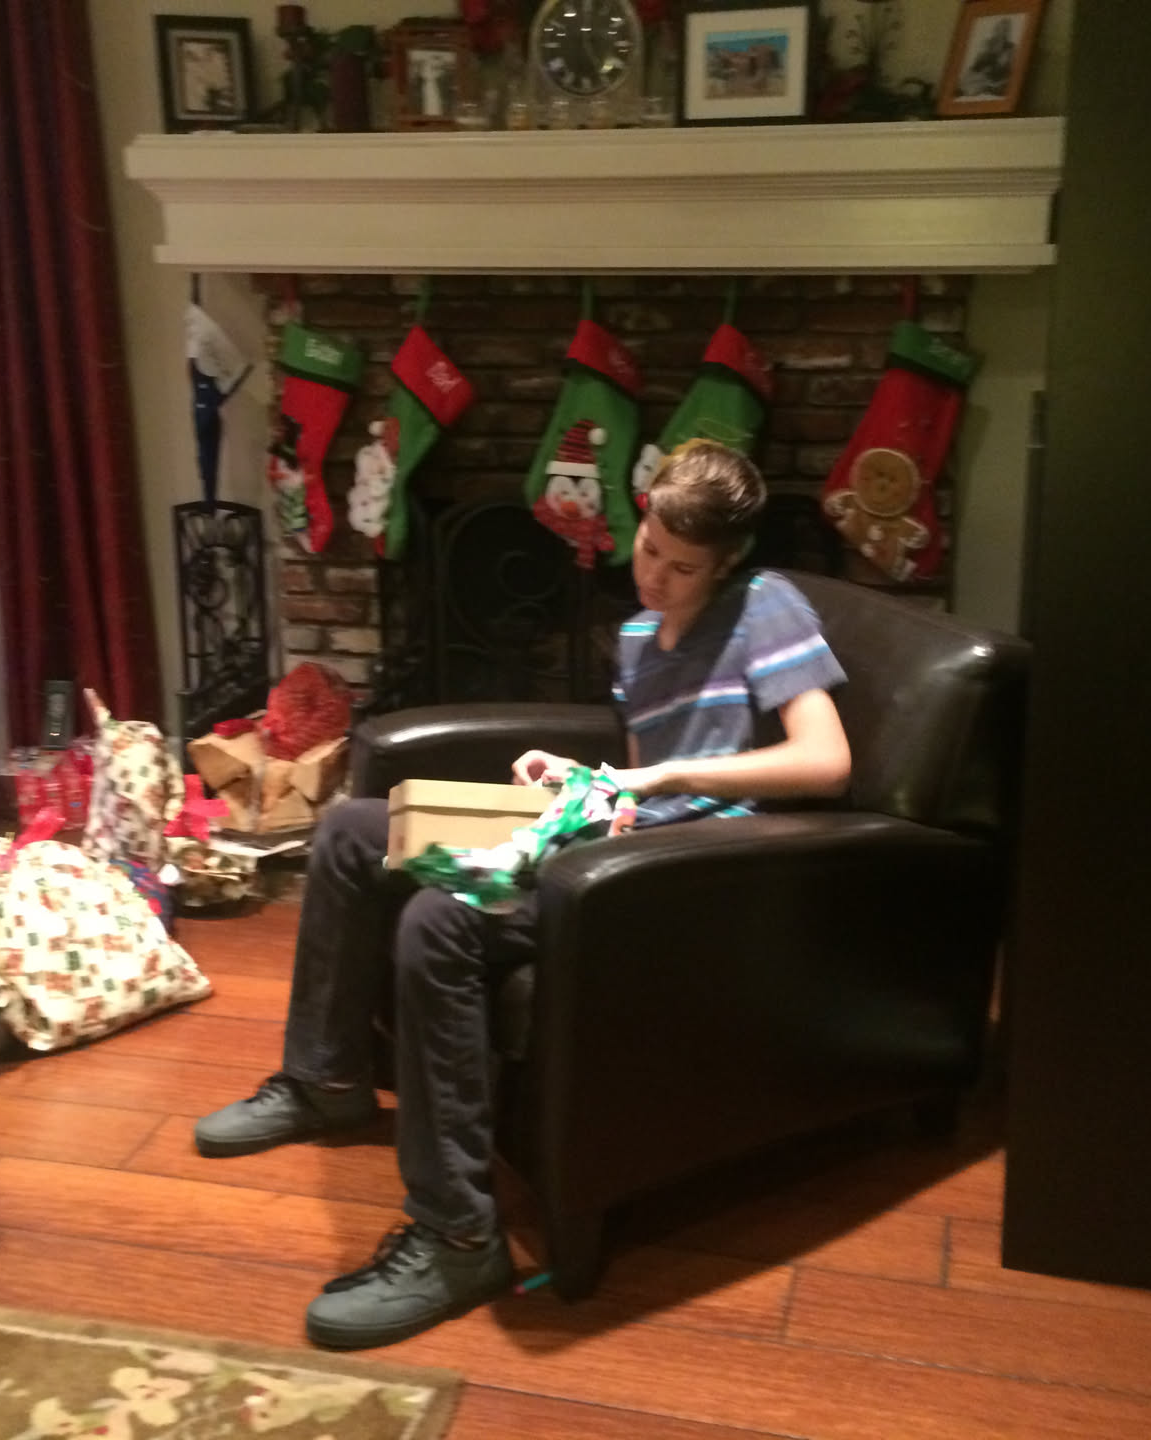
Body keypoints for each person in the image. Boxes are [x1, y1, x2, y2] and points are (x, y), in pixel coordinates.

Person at [194, 439, 851, 1350]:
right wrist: (580, 779)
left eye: (682, 566)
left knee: (440, 919)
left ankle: (459, 1236)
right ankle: (325, 1079)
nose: (654, 575)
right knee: (350, 832)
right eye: (650, 548)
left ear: (727, 561)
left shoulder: (764, 606)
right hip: (621, 841)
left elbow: (826, 759)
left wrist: (659, 778)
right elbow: (634, 782)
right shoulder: (636, 638)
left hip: (691, 875)